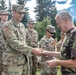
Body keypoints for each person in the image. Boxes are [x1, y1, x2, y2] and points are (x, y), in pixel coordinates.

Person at [2, 4, 41, 75]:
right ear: (13, 12)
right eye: (19, 13)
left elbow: (24, 43)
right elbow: (14, 43)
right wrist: (32, 50)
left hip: (23, 61)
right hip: (12, 63)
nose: (21, 15)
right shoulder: (7, 26)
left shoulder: (22, 26)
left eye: (23, 13)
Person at [39, 10, 76, 75]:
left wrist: (56, 62)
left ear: (65, 20)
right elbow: (64, 55)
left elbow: (75, 63)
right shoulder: (68, 35)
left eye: (58, 23)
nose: (57, 26)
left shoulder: (74, 35)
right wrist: (46, 52)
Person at [0, 10, 9, 75]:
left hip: (9, 52)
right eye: (4, 15)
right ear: (0, 16)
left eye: (7, 15)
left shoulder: (10, 25)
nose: (6, 16)